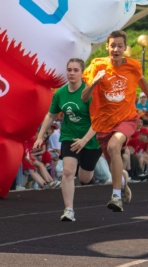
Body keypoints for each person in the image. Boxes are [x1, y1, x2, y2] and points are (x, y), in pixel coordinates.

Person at [82, 30, 148, 212]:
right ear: (107, 47)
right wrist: (94, 83)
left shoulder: (133, 66)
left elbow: (141, 80)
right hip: (104, 122)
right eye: (113, 46)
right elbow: (84, 97)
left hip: (127, 118)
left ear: (125, 48)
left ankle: (116, 196)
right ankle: (123, 181)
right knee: (113, 162)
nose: (116, 49)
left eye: (120, 46)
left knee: (114, 146)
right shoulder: (97, 66)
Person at [34, 58, 102, 222]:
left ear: (82, 73)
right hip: (69, 136)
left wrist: (84, 140)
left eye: (75, 70)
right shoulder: (60, 93)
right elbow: (51, 115)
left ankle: (119, 175)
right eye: (69, 70)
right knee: (68, 171)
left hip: (90, 139)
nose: (71, 73)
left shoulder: (89, 93)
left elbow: (99, 121)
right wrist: (40, 137)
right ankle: (68, 210)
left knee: (85, 178)